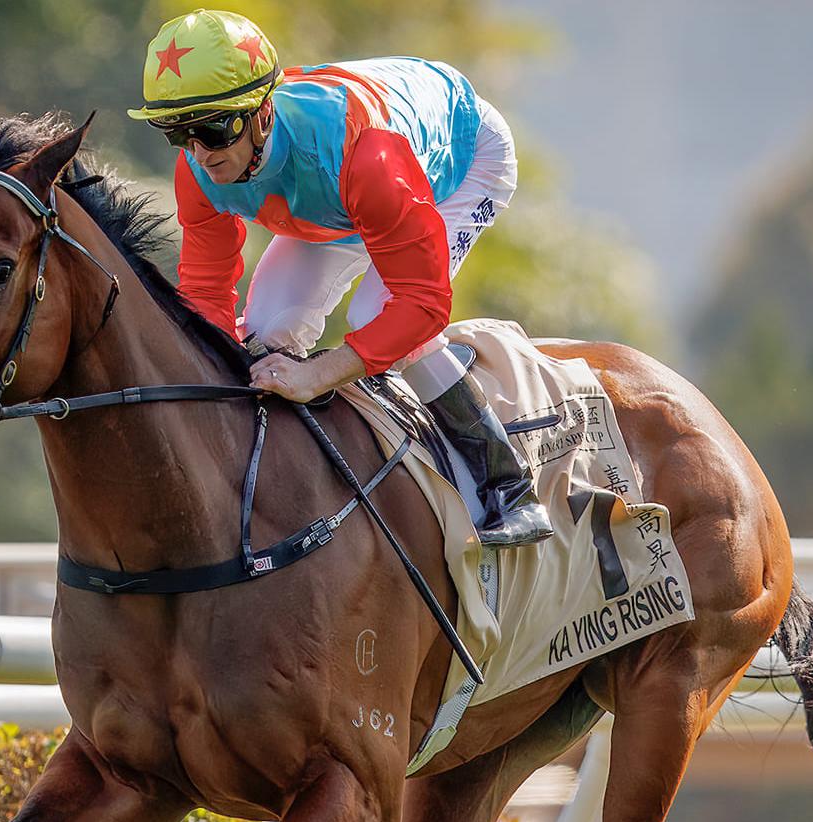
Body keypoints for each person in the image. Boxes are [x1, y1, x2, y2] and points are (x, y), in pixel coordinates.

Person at [128, 9, 553, 547]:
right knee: (264, 331)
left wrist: (322, 373)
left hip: (457, 161)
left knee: (377, 316)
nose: (199, 153)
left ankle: (508, 484)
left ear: (262, 115)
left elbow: (421, 306)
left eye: (213, 128)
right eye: (178, 133)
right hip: (337, 189)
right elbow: (207, 295)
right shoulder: (200, 169)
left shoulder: (366, 156)